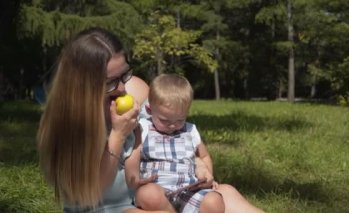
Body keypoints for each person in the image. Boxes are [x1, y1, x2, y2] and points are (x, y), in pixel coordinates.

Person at [37, 26, 263, 213]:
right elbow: (91, 192)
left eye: (125, 74)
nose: (124, 87)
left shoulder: (134, 89)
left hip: (160, 195)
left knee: (227, 195)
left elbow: (172, 134)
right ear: (83, 86)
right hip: (107, 208)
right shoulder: (68, 124)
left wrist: (199, 165)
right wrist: (117, 135)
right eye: (111, 81)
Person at [125, 74, 224, 213]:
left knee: (214, 201)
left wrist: (207, 175)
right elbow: (132, 154)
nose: (172, 126)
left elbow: (204, 156)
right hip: (157, 188)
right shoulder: (143, 128)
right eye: (165, 120)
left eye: (179, 120)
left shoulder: (190, 130)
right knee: (147, 195)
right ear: (149, 110)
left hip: (189, 189)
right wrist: (134, 178)